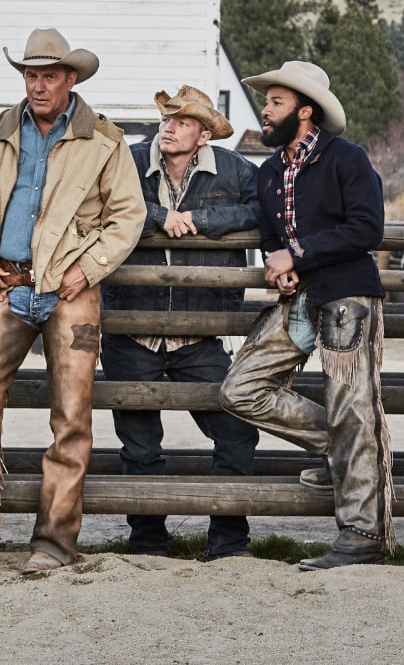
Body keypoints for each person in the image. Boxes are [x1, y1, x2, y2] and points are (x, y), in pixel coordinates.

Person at [0, 28, 146, 575]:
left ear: (71, 79)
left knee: (71, 417)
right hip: (6, 285)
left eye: (49, 76)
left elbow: (127, 217)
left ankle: (54, 545)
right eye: (30, 75)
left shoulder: (106, 142)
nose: (38, 85)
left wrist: (86, 268)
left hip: (72, 292)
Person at [218, 61, 392, 570]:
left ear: (305, 110)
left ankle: (361, 534)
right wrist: (282, 264)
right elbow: (271, 234)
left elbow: (367, 229)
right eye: (268, 102)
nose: (265, 112)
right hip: (299, 300)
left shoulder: (347, 159)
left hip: (347, 296)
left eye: (275, 103)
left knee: (352, 403)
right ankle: (346, 454)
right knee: (240, 389)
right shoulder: (270, 171)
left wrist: (300, 255)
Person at [100, 86, 261, 560]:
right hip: (133, 326)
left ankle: (228, 542)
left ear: (204, 133)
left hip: (201, 329)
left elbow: (257, 210)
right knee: (140, 444)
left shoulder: (234, 169)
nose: (168, 128)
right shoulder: (127, 162)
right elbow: (102, 200)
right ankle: (148, 543)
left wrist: (199, 218)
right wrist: (158, 216)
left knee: (235, 431)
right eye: (167, 119)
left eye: (183, 122)